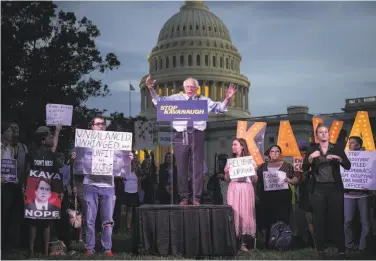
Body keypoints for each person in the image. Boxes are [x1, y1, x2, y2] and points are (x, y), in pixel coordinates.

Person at [145, 75, 237, 205]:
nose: (190, 89)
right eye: (188, 86)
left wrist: (227, 98)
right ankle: (183, 197)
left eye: (193, 87)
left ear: (197, 88)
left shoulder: (202, 100)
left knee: (197, 167)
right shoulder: (176, 98)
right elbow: (159, 102)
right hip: (180, 134)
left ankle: (196, 197)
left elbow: (219, 109)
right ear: (184, 87)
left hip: (197, 134)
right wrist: (151, 89)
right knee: (181, 166)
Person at [71, 115, 133, 256]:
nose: (101, 126)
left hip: (108, 186)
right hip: (90, 185)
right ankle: (89, 248)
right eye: (98, 124)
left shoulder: (113, 142)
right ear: (91, 126)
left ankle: (107, 249)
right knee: (89, 219)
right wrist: (74, 158)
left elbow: (121, 164)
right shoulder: (84, 143)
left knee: (108, 220)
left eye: (103, 124)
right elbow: (76, 163)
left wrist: (128, 159)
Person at [302, 123, 351, 259]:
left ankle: (341, 251)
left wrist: (339, 159)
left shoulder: (336, 148)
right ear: (317, 135)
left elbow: (348, 166)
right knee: (319, 221)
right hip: (317, 189)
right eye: (320, 132)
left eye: (325, 132)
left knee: (337, 219)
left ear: (329, 134)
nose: (323, 134)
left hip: (334, 189)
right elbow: (304, 167)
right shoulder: (312, 148)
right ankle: (320, 251)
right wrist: (311, 158)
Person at [25, 126, 63, 258]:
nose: (52, 139)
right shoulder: (31, 154)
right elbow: (26, 172)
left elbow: (58, 173)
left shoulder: (53, 156)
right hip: (33, 191)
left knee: (47, 221)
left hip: (49, 190)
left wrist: (58, 189)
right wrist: (24, 188)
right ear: (42, 140)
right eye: (49, 137)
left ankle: (46, 252)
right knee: (33, 221)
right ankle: (31, 250)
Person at [257, 145, 299, 246]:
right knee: (267, 217)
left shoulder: (287, 166)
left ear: (280, 153)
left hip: (282, 197)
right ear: (269, 153)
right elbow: (257, 180)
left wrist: (289, 180)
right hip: (267, 197)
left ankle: (282, 241)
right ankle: (269, 241)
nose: (274, 153)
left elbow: (296, 179)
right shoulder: (262, 166)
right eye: (272, 151)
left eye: (277, 151)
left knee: (282, 217)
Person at [224, 138, 258, 252]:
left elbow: (255, 180)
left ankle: (243, 243)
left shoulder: (249, 160)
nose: (233, 147)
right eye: (232, 145)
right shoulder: (230, 161)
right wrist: (226, 172)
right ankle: (234, 242)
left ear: (242, 146)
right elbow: (227, 179)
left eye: (235, 144)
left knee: (245, 214)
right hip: (234, 188)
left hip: (246, 188)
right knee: (234, 213)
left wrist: (254, 170)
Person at [344, 136, 370, 253]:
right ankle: (349, 245)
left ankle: (362, 247)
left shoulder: (368, 157)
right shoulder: (345, 157)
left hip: (363, 194)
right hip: (348, 195)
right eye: (349, 143)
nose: (350, 145)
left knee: (365, 222)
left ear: (359, 145)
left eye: (353, 143)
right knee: (348, 220)